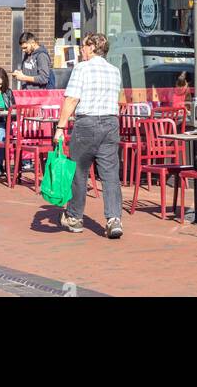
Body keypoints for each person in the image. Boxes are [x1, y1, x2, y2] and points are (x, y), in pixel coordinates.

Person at [55, 32, 124, 239]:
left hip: (87, 123)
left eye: (83, 46)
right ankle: (114, 219)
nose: (81, 50)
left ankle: (75, 217)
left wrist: (60, 127)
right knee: (110, 173)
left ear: (92, 47)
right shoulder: (114, 71)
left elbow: (72, 99)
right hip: (111, 123)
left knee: (78, 171)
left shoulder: (82, 68)